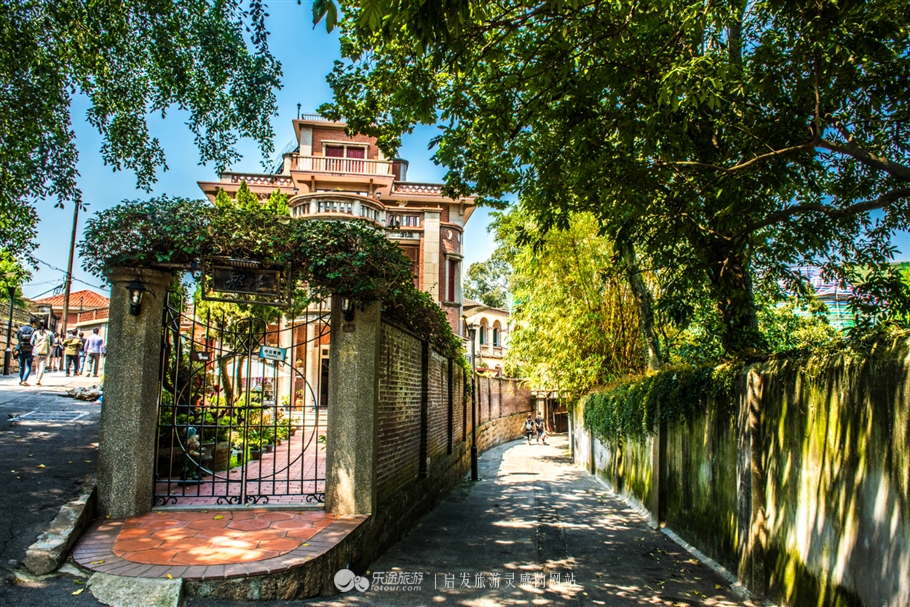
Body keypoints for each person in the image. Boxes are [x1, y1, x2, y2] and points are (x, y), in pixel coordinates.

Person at [30, 320, 54, 386]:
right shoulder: (50, 333)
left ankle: (36, 378)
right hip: (45, 351)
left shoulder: (35, 333)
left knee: (37, 366)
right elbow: (52, 343)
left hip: (37, 351)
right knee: (42, 365)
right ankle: (39, 379)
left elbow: (31, 343)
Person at [15, 319, 36, 386]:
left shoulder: (20, 329)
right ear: (33, 323)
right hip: (30, 350)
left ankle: (21, 380)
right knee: (28, 366)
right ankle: (24, 380)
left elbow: (18, 339)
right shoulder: (33, 330)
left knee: (21, 366)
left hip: (21, 349)